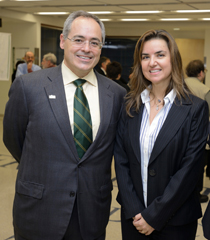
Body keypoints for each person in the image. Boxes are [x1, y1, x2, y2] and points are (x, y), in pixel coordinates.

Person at [3, 10, 126, 240]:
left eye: (94, 42)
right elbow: (14, 139)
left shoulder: (117, 94)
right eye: (78, 39)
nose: (86, 48)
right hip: (39, 211)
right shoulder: (28, 87)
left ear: (101, 48)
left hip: (91, 213)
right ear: (63, 41)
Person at [114, 29, 209, 240]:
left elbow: (189, 170)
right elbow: (121, 161)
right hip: (133, 219)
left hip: (175, 221)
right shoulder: (130, 105)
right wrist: (135, 210)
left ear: (173, 58)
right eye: (145, 57)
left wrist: (154, 216)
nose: (152, 62)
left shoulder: (195, 109)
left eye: (160, 55)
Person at [185, 59, 210, 203]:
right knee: (198, 166)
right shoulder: (204, 89)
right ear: (201, 73)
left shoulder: (177, 85)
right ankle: (196, 193)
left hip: (179, 133)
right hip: (199, 135)